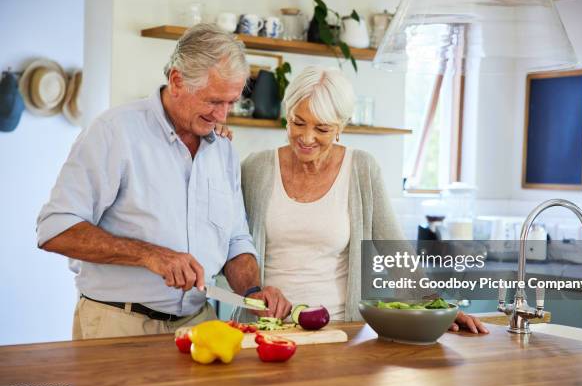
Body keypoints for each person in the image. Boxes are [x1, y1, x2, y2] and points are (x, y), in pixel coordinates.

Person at [36, 23, 291, 340]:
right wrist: (150, 255)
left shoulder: (222, 150)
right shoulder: (115, 131)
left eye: (231, 102)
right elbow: (54, 229)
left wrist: (253, 291)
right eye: (213, 101)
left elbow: (235, 240)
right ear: (177, 81)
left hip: (199, 324)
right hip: (119, 325)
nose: (223, 116)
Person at [239, 66, 487, 334]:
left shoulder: (361, 169)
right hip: (263, 329)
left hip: (338, 330)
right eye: (298, 122)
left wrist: (435, 308)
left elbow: (395, 252)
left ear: (340, 127)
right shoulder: (257, 168)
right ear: (287, 114)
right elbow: (233, 244)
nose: (307, 137)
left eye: (321, 128)